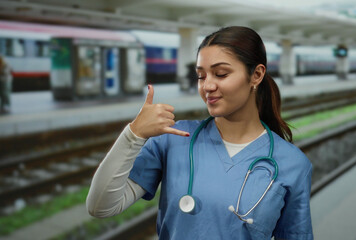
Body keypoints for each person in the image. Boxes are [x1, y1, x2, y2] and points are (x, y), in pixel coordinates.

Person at [87, 26, 313, 240]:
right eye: (201, 76)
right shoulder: (173, 139)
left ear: (256, 75)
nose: (207, 86)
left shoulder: (292, 164)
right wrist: (133, 134)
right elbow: (100, 206)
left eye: (221, 74)